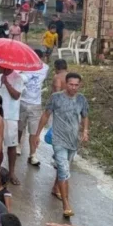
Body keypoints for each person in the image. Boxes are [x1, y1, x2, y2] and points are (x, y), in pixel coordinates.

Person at [34, 72, 88, 217]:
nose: (73, 87)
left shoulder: (81, 99)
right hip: (58, 139)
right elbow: (46, 114)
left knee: (64, 166)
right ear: (65, 83)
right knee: (64, 169)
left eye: (77, 85)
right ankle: (66, 204)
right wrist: (37, 134)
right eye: (71, 84)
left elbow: (85, 115)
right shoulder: (56, 97)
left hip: (73, 140)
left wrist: (85, 131)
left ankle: (55, 188)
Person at [0, 66, 24, 185]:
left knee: (11, 145)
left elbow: (16, 96)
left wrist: (6, 83)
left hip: (10, 116)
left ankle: (11, 172)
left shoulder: (18, 78)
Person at [18, 57, 49, 167]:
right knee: (20, 126)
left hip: (36, 103)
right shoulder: (23, 66)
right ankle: (18, 144)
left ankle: (32, 154)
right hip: (22, 101)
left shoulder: (45, 68)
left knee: (33, 131)